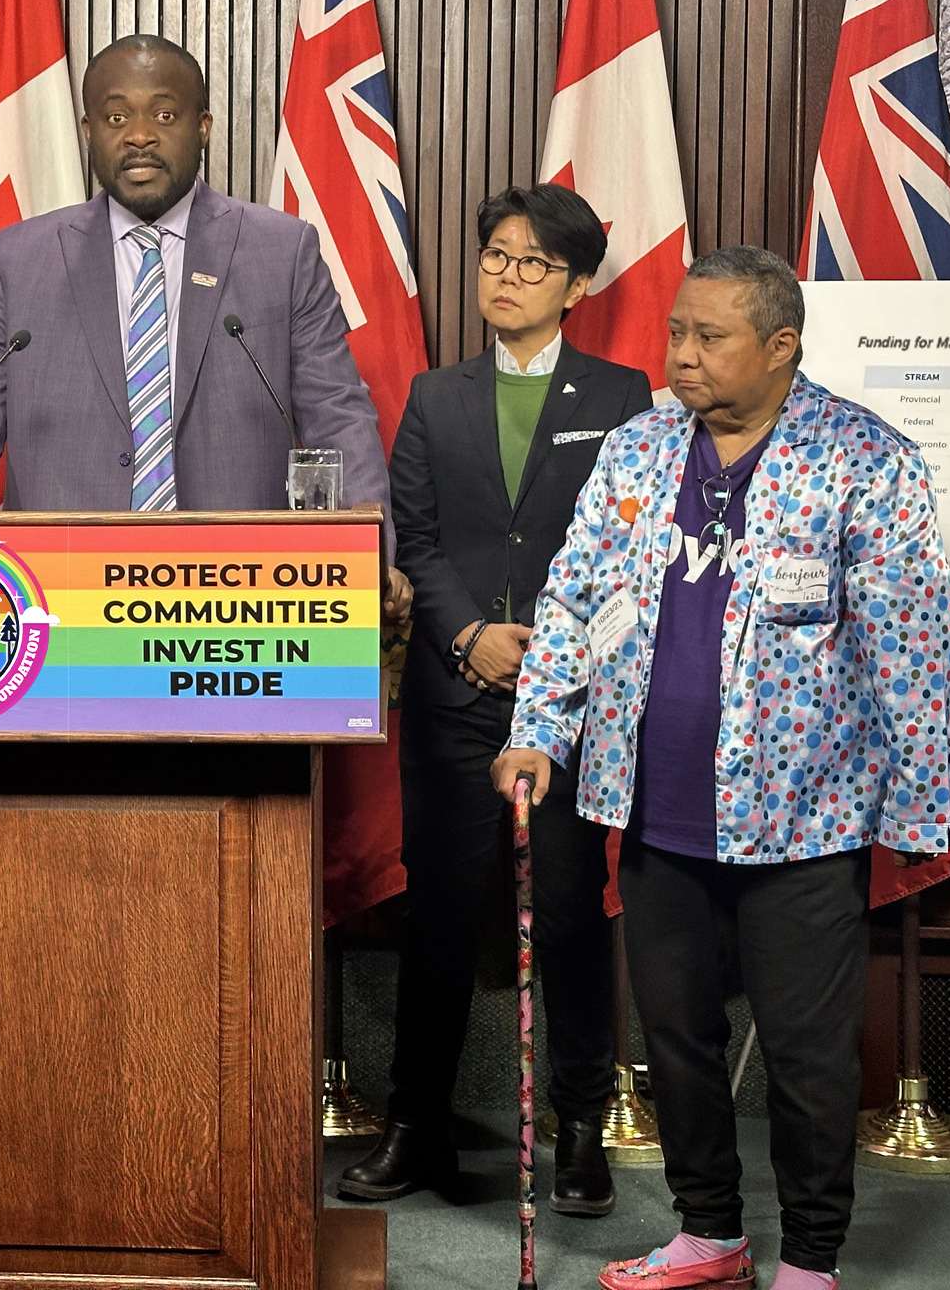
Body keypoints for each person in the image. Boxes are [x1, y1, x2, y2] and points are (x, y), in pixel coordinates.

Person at [497, 247, 950, 1290]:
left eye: (708, 338)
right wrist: (537, 729)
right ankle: (708, 1233)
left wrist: (914, 805)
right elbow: (571, 601)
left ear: (780, 346)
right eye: (674, 333)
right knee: (677, 1042)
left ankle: (808, 1259)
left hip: (803, 821)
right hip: (653, 812)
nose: (680, 356)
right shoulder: (634, 451)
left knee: (802, 1059)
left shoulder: (862, 460)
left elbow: (914, 646)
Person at [339, 183, 651, 1210]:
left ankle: (576, 1133)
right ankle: (414, 1126)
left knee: (564, 912)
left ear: (575, 283)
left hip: (568, 699)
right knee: (436, 914)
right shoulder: (435, 395)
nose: (505, 278)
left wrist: (550, 653)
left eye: (529, 263)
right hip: (454, 687)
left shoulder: (620, 398)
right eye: (493, 258)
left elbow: (626, 550)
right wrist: (470, 635)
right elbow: (414, 541)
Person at [0, 34, 404, 603]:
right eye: (116, 116)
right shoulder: (17, 260)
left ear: (203, 127)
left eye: (164, 114)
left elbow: (336, 414)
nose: (139, 135)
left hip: (239, 598)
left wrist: (366, 552)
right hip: (56, 597)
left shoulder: (282, 252)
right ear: (89, 132)